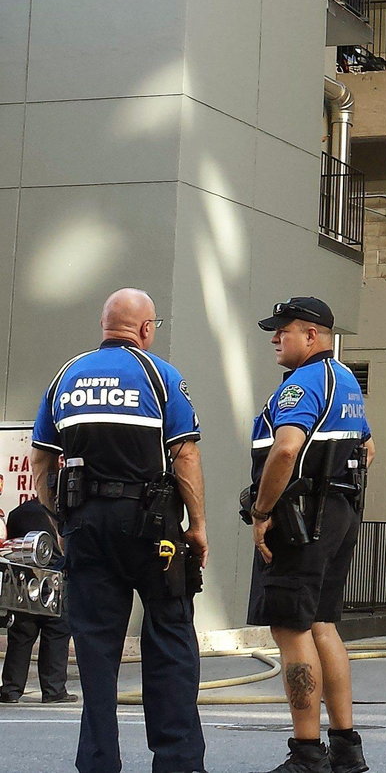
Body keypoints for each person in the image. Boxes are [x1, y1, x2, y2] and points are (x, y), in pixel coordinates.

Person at [31, 288, 208, 773]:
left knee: (95, 648)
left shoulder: (65, 376)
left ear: (104, 325)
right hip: (154, 528)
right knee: (170, 638)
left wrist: (57, 519)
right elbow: (185, 454)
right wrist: (198, 526)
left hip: (86, 524)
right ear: (147, 329)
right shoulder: (159, 375)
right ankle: (178, 763)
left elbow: (41, 457)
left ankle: (98, 762)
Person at [246, 297, 375, 773]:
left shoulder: (301, 384)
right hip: (337, 512)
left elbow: (285, 450)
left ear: (313, 335)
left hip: (300, 518)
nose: (275, 338)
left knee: (291, 627)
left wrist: (262, 510)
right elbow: (368, 446)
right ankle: (346, 748)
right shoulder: (345, 382)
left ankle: (306, 754)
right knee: (323, 624)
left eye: (284, 330)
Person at [0, 498, 76, 704]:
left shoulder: (19, 513)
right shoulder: (67, 510)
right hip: (57, 579)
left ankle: (11, 689)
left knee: (21, 635)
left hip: (27, 580)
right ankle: (54, 690)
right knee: (57, 634)